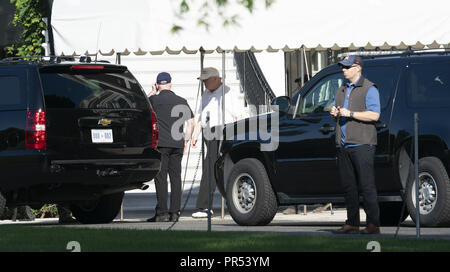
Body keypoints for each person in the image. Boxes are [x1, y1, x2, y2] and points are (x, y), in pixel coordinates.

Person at [330, 55, 381, 235]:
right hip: (343, 144)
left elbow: (374, 115)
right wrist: (335, 113)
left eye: (346, 67)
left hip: (362, 143)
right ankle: (352, 222)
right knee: (349, 186)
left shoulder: (369, 88)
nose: (343, 70)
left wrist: (350, 113)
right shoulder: (341, 90)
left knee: (366, 185)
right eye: (342, 67)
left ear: (357, 68)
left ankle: (373, 224)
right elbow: (340, 113)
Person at [191, 67, 245, 218]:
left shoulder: (229, 93)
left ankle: (232, 202)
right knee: (209, 167)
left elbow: (239, 116)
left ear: (216, 78)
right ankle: (203, 206)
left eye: (206, 80)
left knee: (225, 168)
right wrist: (195, 134)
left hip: (226, 130)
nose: (204, 83)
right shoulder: (205, 95)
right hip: (209, 131)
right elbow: (200, 116)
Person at [147, 72, 195, 222]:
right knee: (176, 178)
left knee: (161, 178)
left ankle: (162, 213)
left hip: (161, 144)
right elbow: (192, 123)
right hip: (177, 143)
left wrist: (152, 92)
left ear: (157, 84)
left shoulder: (154, 100)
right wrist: (186, 140)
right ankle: (175, 213)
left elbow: (142, 104)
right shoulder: (181, 100)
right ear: (170, 84)